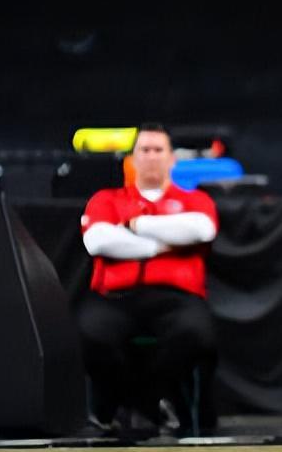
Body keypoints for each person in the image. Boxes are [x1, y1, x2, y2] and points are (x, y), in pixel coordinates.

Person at [77, 123, 218, 435]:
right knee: (92, 334)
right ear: (132, 158)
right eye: (145, 150)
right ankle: (139, 406)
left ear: (171, 158)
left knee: (196, 333)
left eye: (158, 150)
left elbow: (201, 229)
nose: (152, 156)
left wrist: (135, 225)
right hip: (115, 297)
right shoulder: (106, 199)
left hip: (177, 297)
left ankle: (143, 403)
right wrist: (161, 246)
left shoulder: (195, 200)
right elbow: (98, 241)